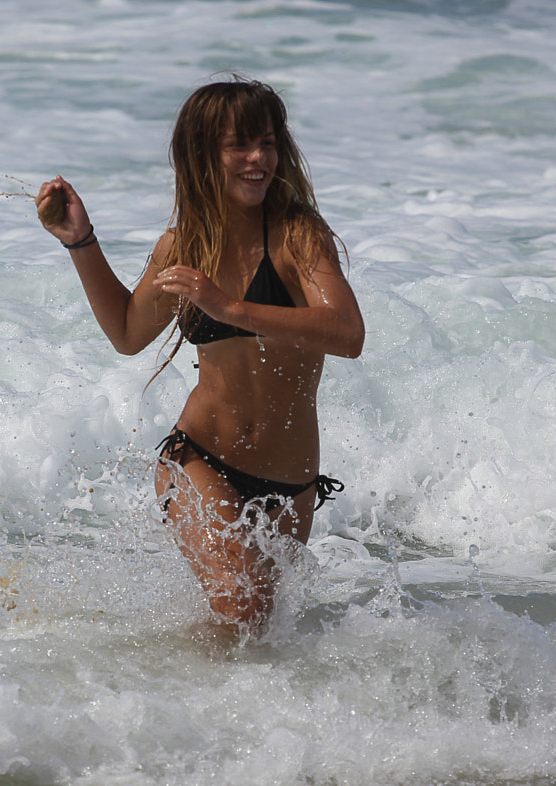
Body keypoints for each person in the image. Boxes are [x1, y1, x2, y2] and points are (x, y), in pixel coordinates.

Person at [36, 79, 365, 642]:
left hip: (290, 487)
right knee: (243, 608)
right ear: (202, 155)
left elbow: (346, 332)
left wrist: (231, 307)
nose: (258, 159)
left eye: (267, 142)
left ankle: (174, 696)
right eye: (240, 145)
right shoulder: (184, 246)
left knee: (256, 636)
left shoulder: (298, 236)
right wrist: (80, 240)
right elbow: (126, 332)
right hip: (201, 458)